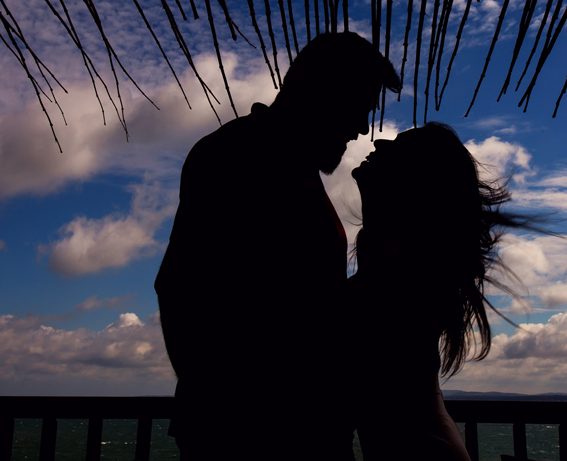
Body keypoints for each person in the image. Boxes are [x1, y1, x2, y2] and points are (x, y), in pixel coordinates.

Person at [155, 31, 400, 460]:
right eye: (361, 106)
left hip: (300, 428)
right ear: (324, 91)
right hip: (258, 435)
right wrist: (229, 416)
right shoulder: (239, 155)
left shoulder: (293, 168)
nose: (363, 126)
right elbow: (179, 287)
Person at [348, 122, 528, 460]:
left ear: (415, 182)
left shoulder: (410, 271)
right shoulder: (398, 262)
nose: (381, 143)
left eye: (397, 147)